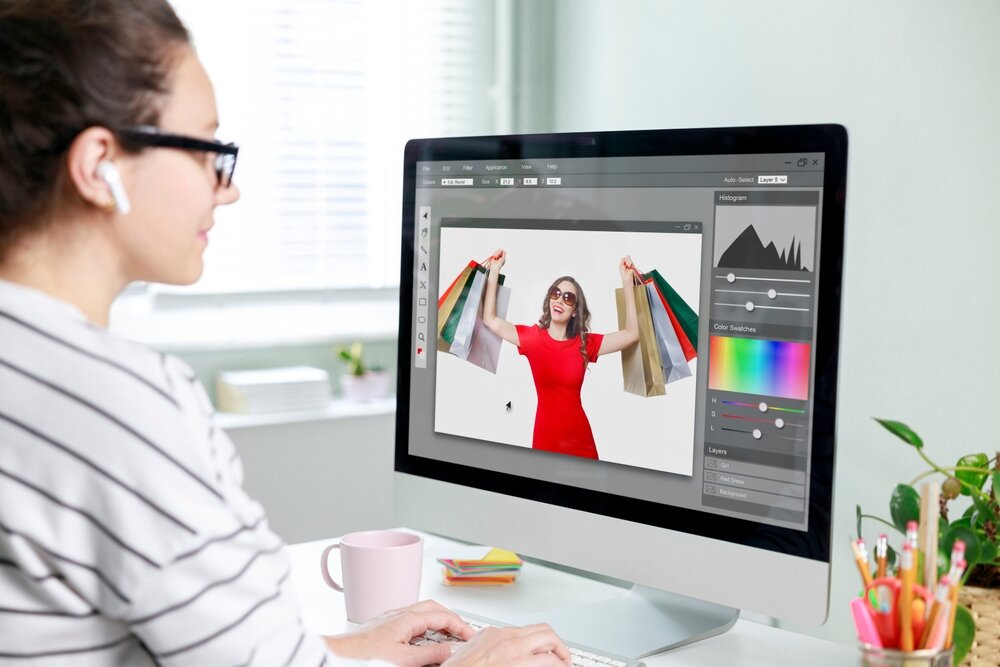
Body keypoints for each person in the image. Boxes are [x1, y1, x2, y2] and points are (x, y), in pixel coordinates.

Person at [0, 2, 571, 665]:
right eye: (208, 149)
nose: (227, 188)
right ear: (101, 164)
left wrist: (335, 649)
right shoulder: (122, 405)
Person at [482, 249, 640, 460]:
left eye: (568, 298)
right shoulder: (532, 339)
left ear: (575, 310)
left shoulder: (585, 343)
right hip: (545, 439)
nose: (559, 300)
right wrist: (494, 271)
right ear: (549, 299)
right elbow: (490, 319)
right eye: (556, 294)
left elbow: (632, 334)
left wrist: (627, 281)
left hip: (580, 442)